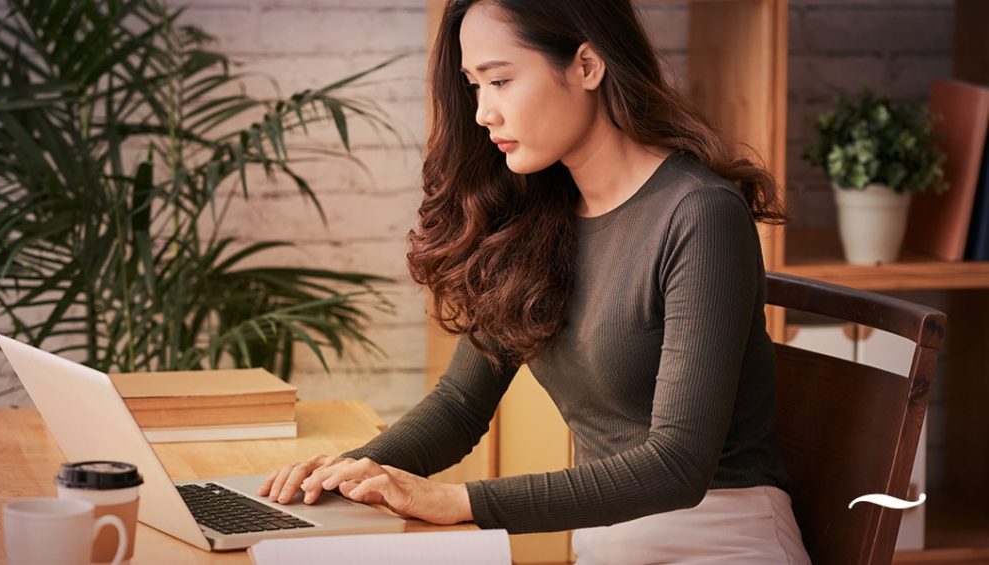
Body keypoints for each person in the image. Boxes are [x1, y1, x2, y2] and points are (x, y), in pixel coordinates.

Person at [259, 0, 811, 562]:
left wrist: (458, 500)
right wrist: (354, 471)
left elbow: (677, 466)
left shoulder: (698, 213)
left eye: (500, 80)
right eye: (474, 85)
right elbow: (459, 406)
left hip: (720, 539)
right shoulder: (538, 215)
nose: (483, 113)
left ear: (588, 66)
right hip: (609, 543)